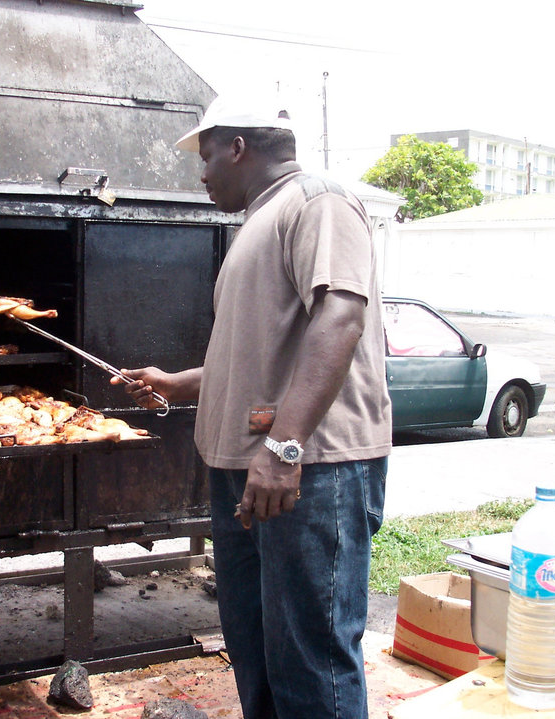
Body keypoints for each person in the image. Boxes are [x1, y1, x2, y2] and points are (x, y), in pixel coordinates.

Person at [113, 95, 392, 718]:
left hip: (308, 470)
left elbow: (341, 316)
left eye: (206, 155)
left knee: (311, 657)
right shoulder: (262, 222)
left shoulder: (318, 202)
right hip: (253, 471)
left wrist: (284, 447)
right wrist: (177, 383)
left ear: (237, 146)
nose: (202, 174)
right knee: (258, 648)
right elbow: (263, 354)